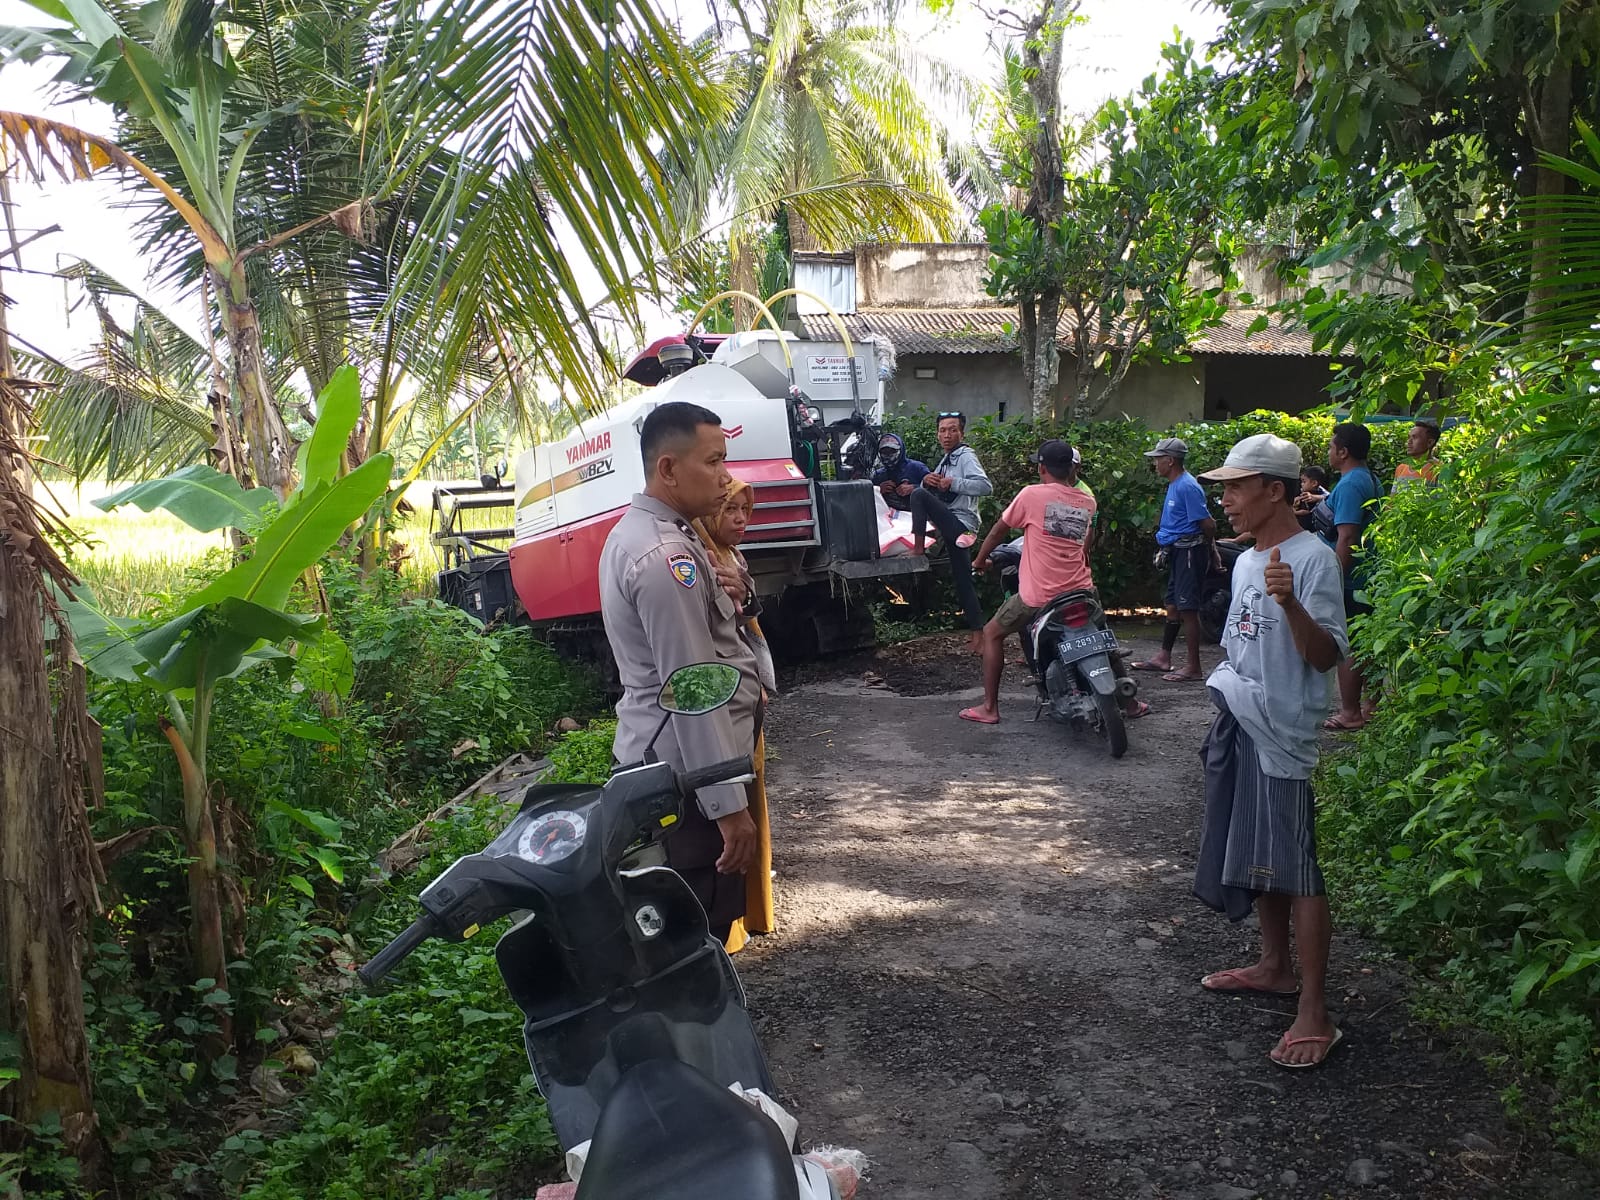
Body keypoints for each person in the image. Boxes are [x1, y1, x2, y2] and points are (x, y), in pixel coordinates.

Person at [1192, 433, 1350, 1069]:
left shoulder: (1313, 561)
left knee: (1298, 865)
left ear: (1275, 490)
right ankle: (1274, 966)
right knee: (1263, 853)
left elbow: (1326, 656)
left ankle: (1315, 1010)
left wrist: (1290, 603)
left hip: (1283, 729)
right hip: (1245, 718)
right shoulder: (1246, 560)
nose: (1225, 499)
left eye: (1236, 486)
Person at [599, 401, 761, 941]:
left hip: (674, 770)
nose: (725, 476)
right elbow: (693, 688)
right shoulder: (667, 557)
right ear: (668, 469)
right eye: (713, 461)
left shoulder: (658, 534)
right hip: (685, 784)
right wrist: (727, 807)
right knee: (694, 936)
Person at [961, 440, 1147, 724]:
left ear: (1041, 468)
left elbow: (999, 531)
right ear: (1072, 468)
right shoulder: (1087, 501)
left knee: (991, 633)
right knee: (1101, 637)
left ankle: (989, 708)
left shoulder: (1031, 495)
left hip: (1039, 597)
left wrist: (979, 561)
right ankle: (1131, 704)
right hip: (1082, 590)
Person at [691, 479, 777, 954]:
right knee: (729, 804)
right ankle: (732, 920)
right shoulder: (701, 560)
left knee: (751, 795)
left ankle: (752, 907)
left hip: (747, 697)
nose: (741, 519)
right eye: (731, 510)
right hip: (722, 702)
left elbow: (750, 621)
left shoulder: (734, 559)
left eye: (746, 509)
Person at [1311, 422, 1381, 731]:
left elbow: (1348, 536)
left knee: (1349, 643)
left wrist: (1333, 577)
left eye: (1331, 446)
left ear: (1343, 451)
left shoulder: (1352, 483)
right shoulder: (1367, 478)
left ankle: (1350, 712)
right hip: (1365, 574)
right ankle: (1371, 706)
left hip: (1352, 578)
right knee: (1365, 642)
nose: (1328, 451)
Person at [1133, 437, 1217, 683]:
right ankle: (1163, 657)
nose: (1155, 464)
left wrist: (1211, 550)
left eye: (1158, 459)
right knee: (1172, 604)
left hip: (1189, 551)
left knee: (1188, 608)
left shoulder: (1187, 486)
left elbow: (1208, 524)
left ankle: (1193, 667)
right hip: (1178, 550)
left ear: (1170, 461)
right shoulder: (1175, 484)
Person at [909, 411, 993, 650]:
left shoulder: (965, 456)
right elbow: (935, 492)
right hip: (953, 528)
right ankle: (978, 637)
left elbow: (985, 486)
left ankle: (918, 550)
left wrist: (953, 483)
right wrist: (928, 481)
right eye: (943, 430)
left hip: (962, 525)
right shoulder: (946, 459)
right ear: (937, 435)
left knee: (918, 495)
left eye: (953, 430)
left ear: (962, 433)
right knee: (963, 580)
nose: (947, 435)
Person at [871, 432, 929, 512]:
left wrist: (914, 488)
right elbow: (869, 498)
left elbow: (934, 492)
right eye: (884, 452)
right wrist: (879, 490)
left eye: (892, 451)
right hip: (887, 516)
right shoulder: (879, 475)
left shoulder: (917, 468)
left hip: (915, 514)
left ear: (901, 450)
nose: (888, 455)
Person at [1392, 418, 1441, 491]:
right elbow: (1393, 497)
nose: (1409, 442)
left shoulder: (1439, 470)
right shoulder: (1401, 468)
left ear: (1430, 442)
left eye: (1414, 437)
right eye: (1409, 437)